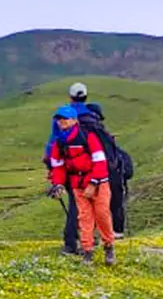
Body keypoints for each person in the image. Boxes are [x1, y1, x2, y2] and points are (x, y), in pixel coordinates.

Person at [48, 105, 116, 265]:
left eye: (64, 118)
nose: (61, 122)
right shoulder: (59, 143)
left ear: (74, 120)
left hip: (99, 183)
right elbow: (57, 166)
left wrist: (93, 183)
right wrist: (58, 184)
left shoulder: (88, 136)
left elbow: (100, 161)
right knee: (84, 217)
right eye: (59, 119)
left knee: (102, 215)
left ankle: (108, 246)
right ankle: (87, 251)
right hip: (77, 184)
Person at [43, 82, 91, 255]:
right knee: (86, 206)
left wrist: (52, 168)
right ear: (85, 96)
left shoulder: (59, 118)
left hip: (66, 168)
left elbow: (53, 142)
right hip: (91, 172)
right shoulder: (92, 116)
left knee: (75, 205)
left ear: (70, 96)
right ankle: (86, 240)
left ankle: (72, 242)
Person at [81, 102, 131, 239]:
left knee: (87, 207)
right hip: (110, 175)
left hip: (85, 176)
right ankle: (116, 233)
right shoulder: (102, 133)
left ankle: (89, 236)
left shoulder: (77, 132)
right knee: (114, 204)